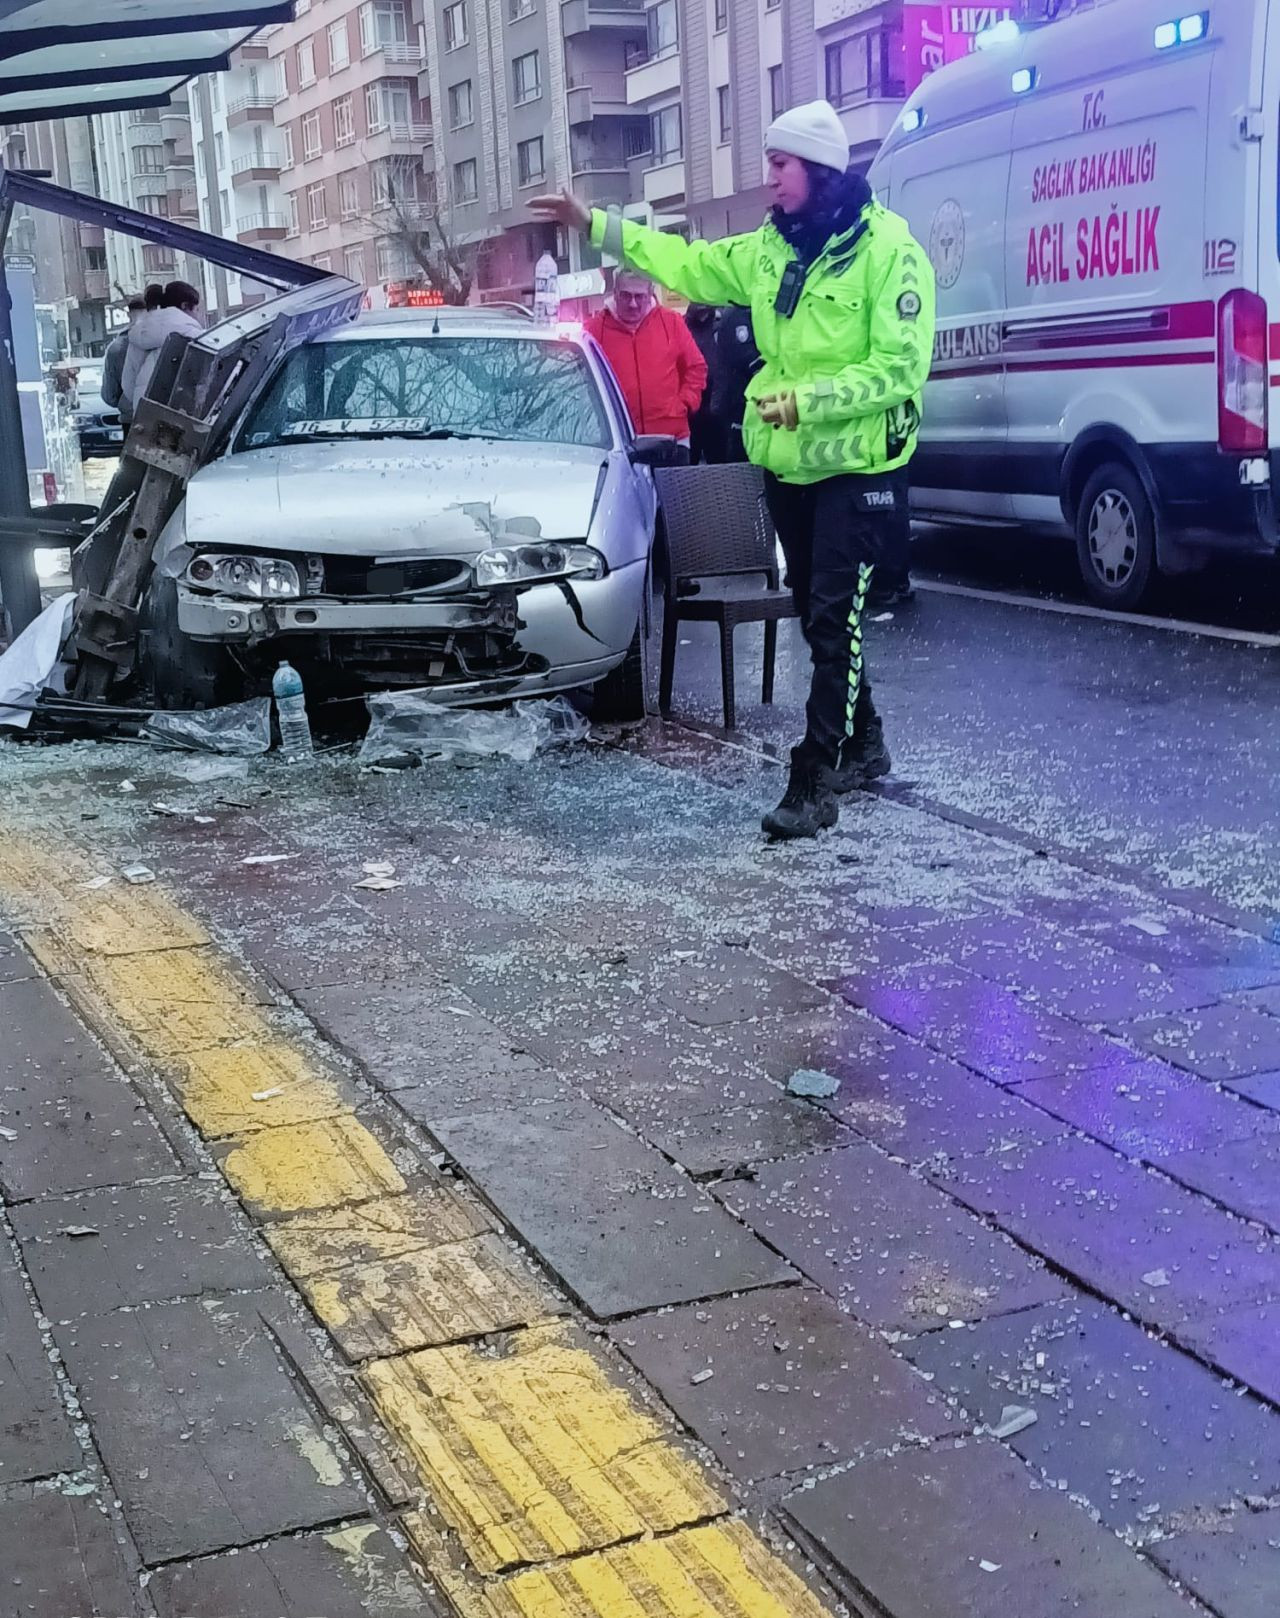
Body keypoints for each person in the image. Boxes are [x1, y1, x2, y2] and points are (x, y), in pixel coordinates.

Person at [532, 99, 935, 839]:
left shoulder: (890, 252)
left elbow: (901, 369)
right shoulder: (769, 249)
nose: (770, 180)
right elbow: (686, 262)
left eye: (780, 167)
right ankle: (866, 744)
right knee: (827, 622)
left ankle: (815, 779)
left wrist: (808, 400)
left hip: (861, 466)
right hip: (790, 467)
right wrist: (596, 224)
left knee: (831, 615)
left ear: (816, 169)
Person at [585, 271, 707, 461]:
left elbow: (696, 367)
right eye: (626, 295)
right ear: (615, 293)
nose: (633, 303)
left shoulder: (671, 322)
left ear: (650, 293)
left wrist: (684, 403)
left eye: (639, 296)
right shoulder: (594, 329)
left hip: (671, 440)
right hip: (618, 444)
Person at [121, 281, 203, 419]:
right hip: (184, 416)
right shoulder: (194, 337)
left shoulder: (140, 334)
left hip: (144, 415)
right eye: (196, 309)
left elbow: (128, 383)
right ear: (184, 306)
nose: (198, 315)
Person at [710, 304, 760, 463]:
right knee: (741, 465)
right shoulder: (738, 314)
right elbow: (749, 360)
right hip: (739, 405)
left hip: (751, 404)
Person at [101, 295, 147, 427]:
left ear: (129, 315)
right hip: (161, 419)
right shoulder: (164, 340)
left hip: (130, 418)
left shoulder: (116, 348)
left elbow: (109, 395)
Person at [684, 303, 718, 464]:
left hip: (715, 409)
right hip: (690, 410)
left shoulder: (719, 327)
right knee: (689, 464)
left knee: (718, 464)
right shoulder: (682, 328)